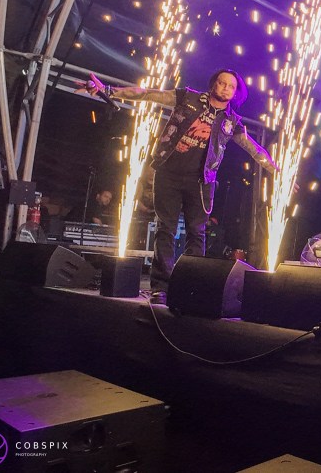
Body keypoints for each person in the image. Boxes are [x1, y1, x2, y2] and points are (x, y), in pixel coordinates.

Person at [79, 69, 278, 302]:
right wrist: (108, 90)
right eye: (221, 83)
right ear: (213, 84)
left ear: (235, 93)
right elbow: (148, 94)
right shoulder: (187, 97)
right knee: (165, 229)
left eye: (230, 86)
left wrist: (277, 172)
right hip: (169, 174)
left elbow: (255, 149)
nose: (225, 88)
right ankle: (161, 287)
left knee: (197, 234)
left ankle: (190, 287)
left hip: (202, 182)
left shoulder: (231, 121)